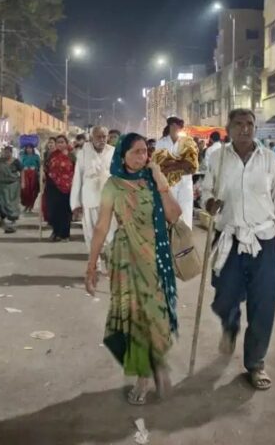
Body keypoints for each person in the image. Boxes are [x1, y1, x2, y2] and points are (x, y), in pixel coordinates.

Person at [202, 109, 275, 391]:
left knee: (262, 304)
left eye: (250, 124)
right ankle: (230, 324)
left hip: (263, 238)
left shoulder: (269, 160)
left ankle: (255, 363)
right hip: (229, 236)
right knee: (224, 297)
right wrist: (209, 203)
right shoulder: (218, 158)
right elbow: (207, 190)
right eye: (239, 124)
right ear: (228, 127)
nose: (245, 129)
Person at [84, 133, 182, 405]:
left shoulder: (153, 182)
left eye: (145, 152)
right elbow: (102, 227)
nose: (143, 157)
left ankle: (156, 362)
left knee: (155, 314)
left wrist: (161, 179)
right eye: (136, 152)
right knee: (135, 318)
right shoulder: (113, 186)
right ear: (123, 155)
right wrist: (91, 265)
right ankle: (144, 373)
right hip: (126, 258)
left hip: (154, 258)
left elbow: (174, 215)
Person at [71, 126, 116, 273]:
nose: (102, 140)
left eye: (104, 136)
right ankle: (94, 265)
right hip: (89, 199)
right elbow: (77, 178)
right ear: (92, 138)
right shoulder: (83, 153)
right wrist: (76, 204)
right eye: (99, 137)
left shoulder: (113, 152)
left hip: (109, 200)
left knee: (111, 234)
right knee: (91, 234)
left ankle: (111, 264)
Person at [155, 116, 198, 226]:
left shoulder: (188, 141)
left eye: (179, 126)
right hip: (168, 183)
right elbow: (160, 164)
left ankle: (185, 239)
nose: (177, 128)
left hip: (185, 183)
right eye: (174, 125)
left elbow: (192, 165)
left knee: (186, 212)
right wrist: (181, 164)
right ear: (170, 126)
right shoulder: (161, 143)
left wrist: (171, 164)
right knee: (168, 213)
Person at [46, 135, 75, 242]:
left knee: (65, 212)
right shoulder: (52, 155)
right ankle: (55, 231)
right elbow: (47, 168)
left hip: (68, 188)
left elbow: (76, 170)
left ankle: (64, 235)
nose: (60, 144)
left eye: (62, 142)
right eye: (58, 142)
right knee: (53, 211)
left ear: (66, 143)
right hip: (53, 187)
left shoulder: (72, 156)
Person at [0, 146, 23, 233]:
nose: (6, 154)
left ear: (11, 153)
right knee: (0, 202)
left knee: (11, 204)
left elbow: (22, 171)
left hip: (13, 186)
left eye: (8, 152)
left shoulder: (16, 162)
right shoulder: (0, 162)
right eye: (5, 152)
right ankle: (2, 219)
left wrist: (23, 182)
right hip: (2, 185)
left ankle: (12, 221)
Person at [20, 144, 41, 213]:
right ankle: (26, 205)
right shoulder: (23, 156)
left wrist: (35, 168)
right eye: (27, 148)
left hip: (33, 174)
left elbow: (39, 165)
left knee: (33, 189)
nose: (28, 149)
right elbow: (21, 166)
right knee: (25, 190)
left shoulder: (36, 156)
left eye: (30, 148)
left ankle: (31, 206)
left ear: (33, 149)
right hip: (25, 174)